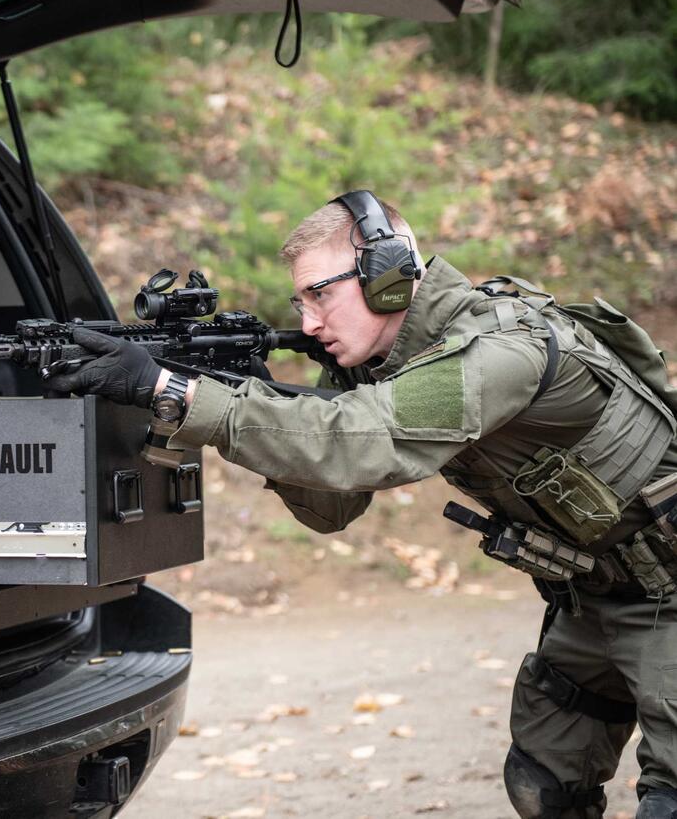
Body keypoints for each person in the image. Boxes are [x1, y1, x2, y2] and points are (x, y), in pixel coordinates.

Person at [46, 191, 677, 819]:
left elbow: (362, 443)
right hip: (595, 592)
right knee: (544, 785)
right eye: (301, 302)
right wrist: (251, 392)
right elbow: (331, 508)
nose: (311, 322)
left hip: (669, 586)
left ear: (390, 278)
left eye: (321, 294)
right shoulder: (382, 366)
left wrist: (177, 395)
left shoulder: (503, 349)